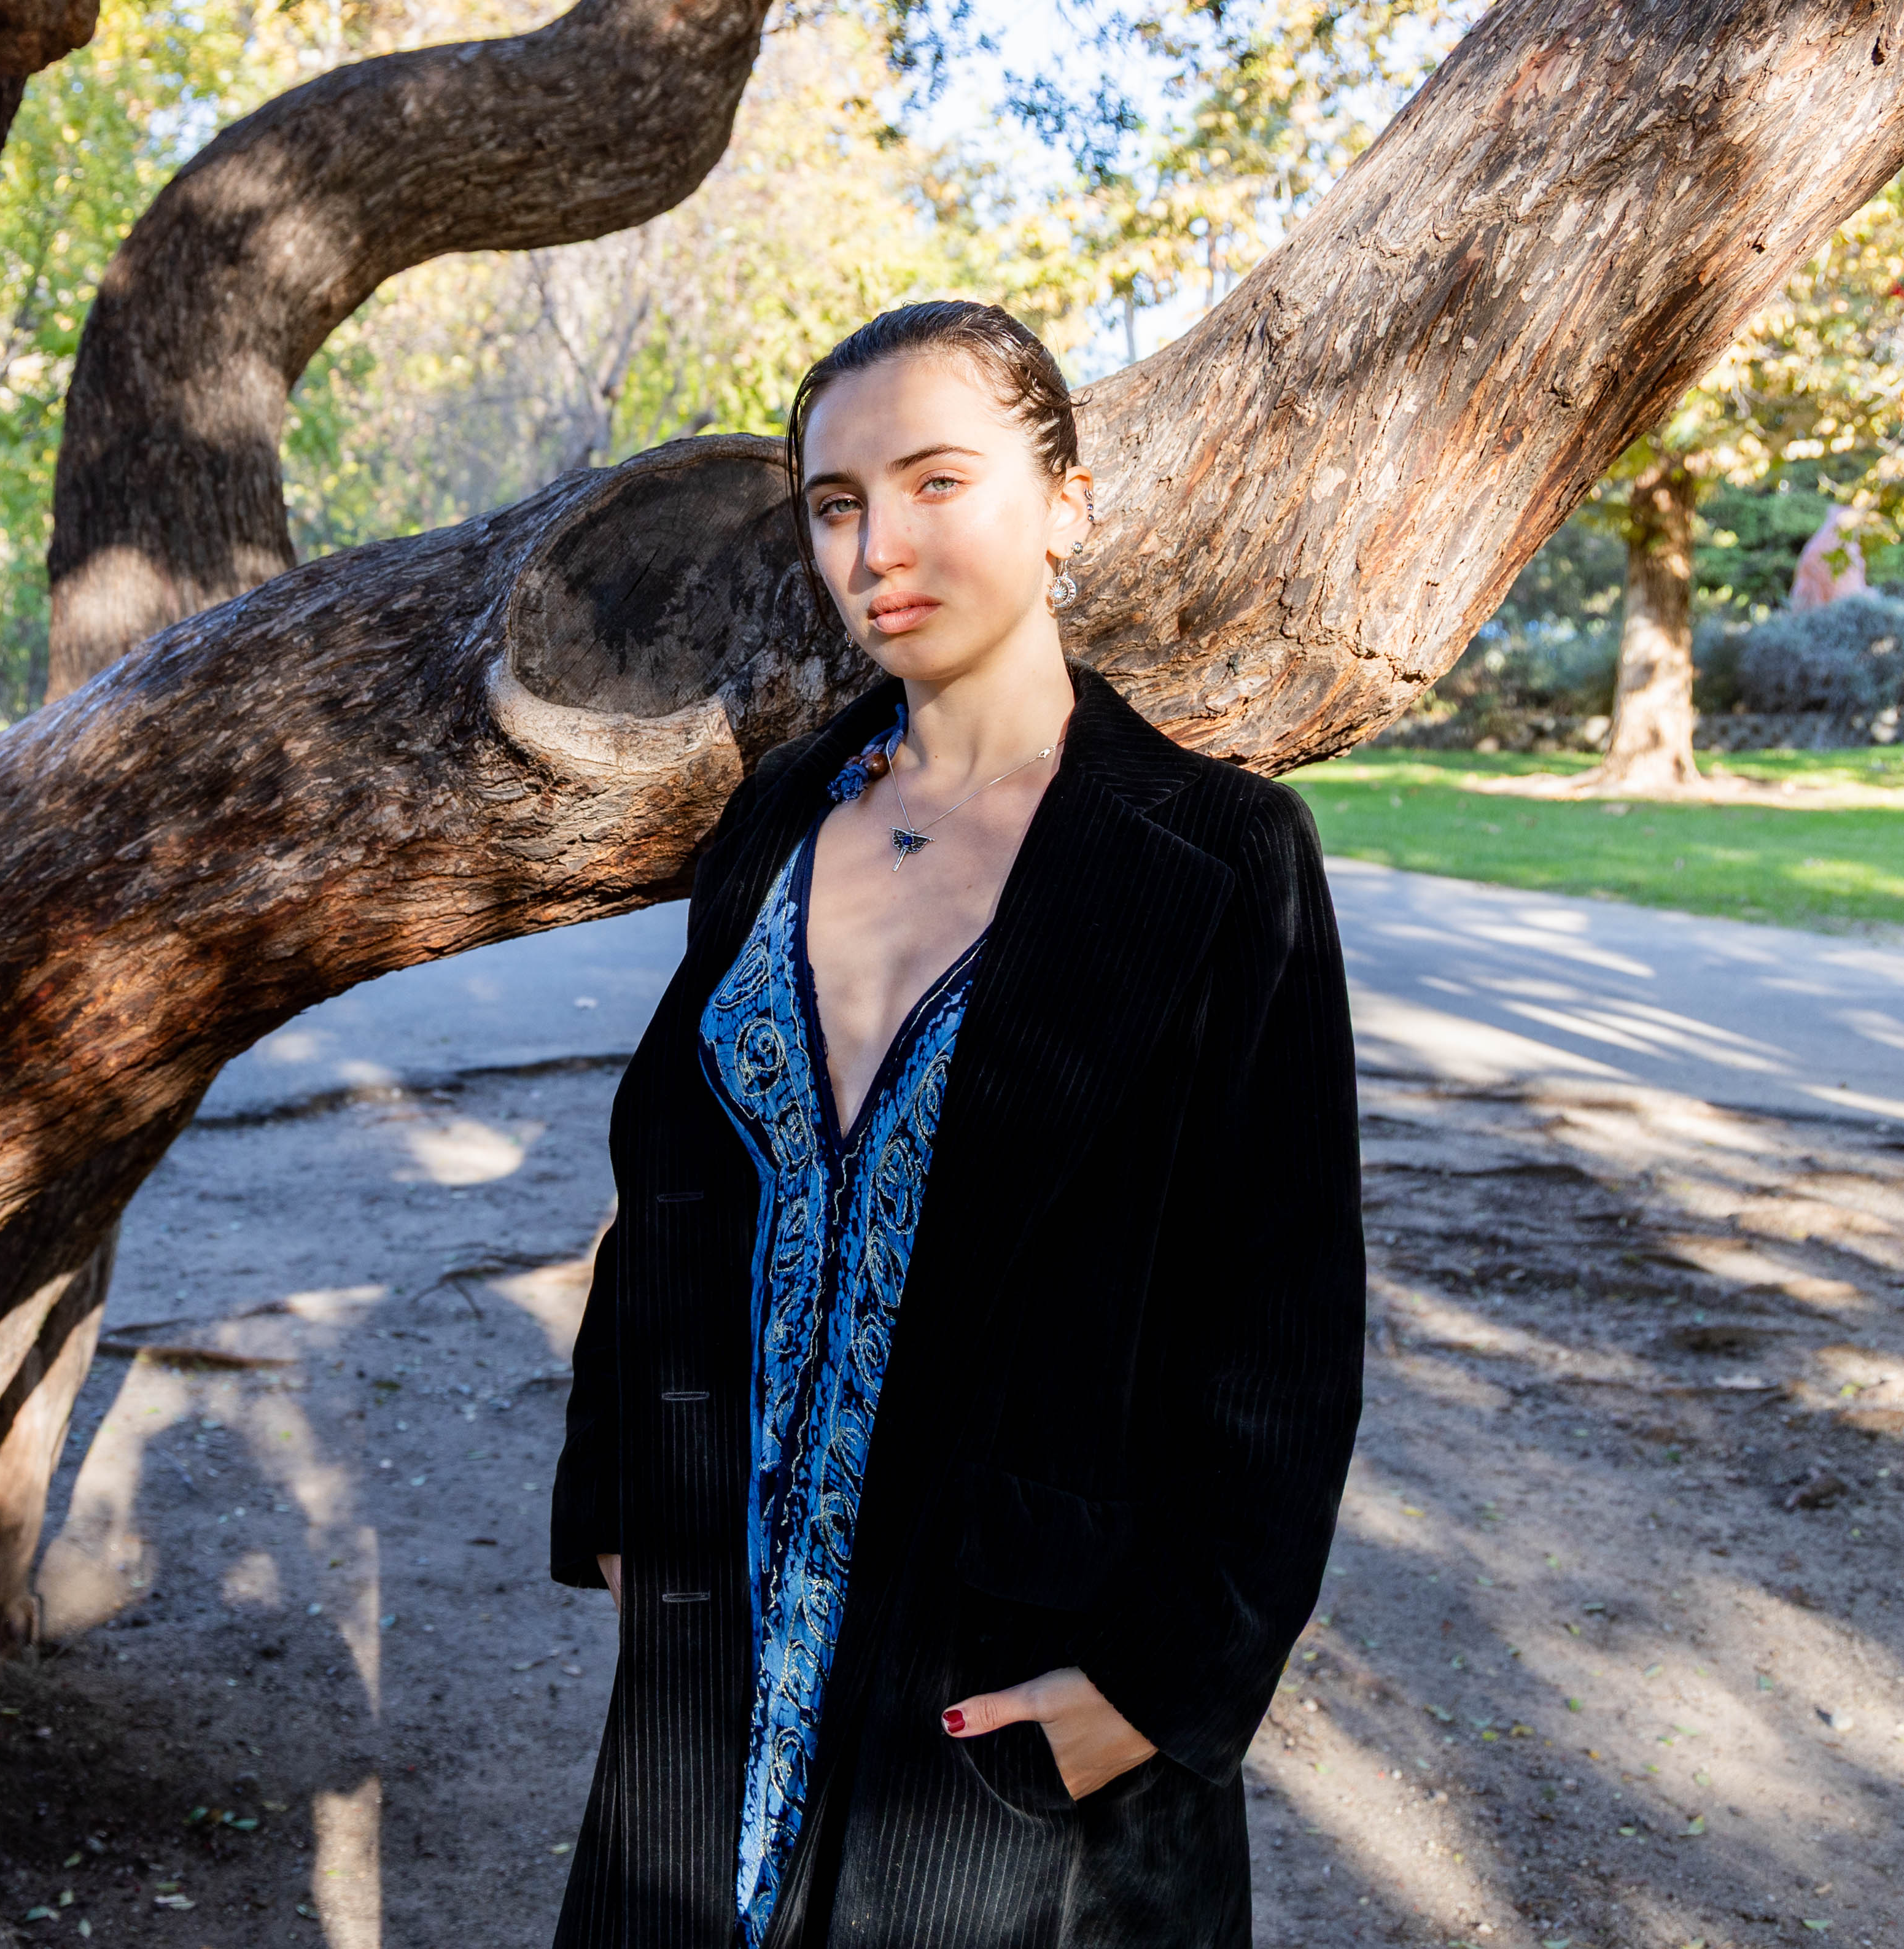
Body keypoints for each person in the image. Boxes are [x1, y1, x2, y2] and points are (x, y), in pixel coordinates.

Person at [545, 300, 1364, 1949]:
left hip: (1007, 1671)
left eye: (934, 481)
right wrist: (621, 1504)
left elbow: (1280, 1310)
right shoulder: (778, 815)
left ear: (1064, 505)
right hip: (717, 1659)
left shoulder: (1212, 854)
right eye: (837, 504)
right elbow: (671, 1187)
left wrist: (1160, 1681)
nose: (875, 547)